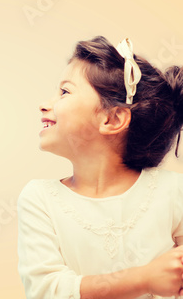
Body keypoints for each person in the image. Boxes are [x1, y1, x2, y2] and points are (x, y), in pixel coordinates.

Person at [18, 36, 183, 298]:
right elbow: (45, 290)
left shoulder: (174, 192)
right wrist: (144, 279)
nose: (44, 104)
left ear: (113, 118)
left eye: (64, 92)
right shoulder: (39, 199)